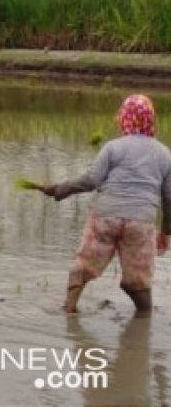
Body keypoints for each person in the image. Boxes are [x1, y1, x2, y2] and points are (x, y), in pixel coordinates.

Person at [39, 95, 171, 313]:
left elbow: (91, 181)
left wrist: (61, 189)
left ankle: (69, 308)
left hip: (105, 217)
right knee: (138, 281)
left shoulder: (113, 148)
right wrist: (166, 232)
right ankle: (143, 322)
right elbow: (169, 198)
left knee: (84, 265)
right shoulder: (165, 154)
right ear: (150, 120)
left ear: (124, 119)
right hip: (141, 222)